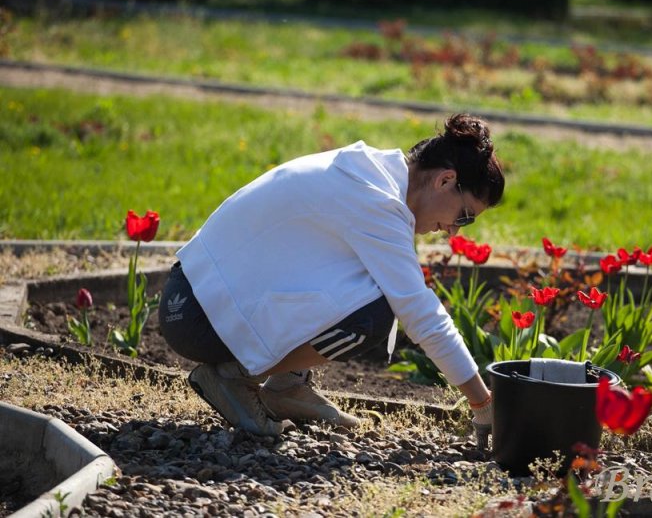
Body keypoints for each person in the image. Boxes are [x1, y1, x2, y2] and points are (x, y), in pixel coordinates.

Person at [158, 113, 504, 443]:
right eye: (465, 216)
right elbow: (420, 312)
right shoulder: (376, 200)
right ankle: (235, 377)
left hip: (190, 299)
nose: (454, 231)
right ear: (445, 180)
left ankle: (286, 386)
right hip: (195, 316)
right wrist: (483, 403)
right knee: (377, 310)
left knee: (373, 285)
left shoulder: (370, 173)